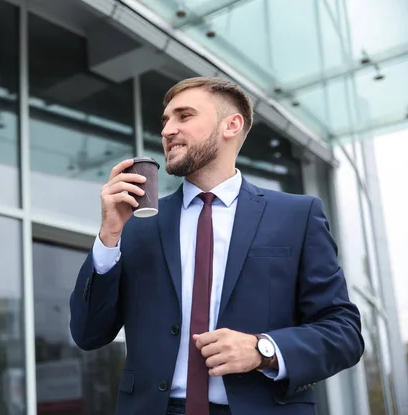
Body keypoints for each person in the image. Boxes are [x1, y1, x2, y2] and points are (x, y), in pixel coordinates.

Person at [69, 77, 364, 415]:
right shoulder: (137, 224)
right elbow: (87, 334)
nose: (167, 130)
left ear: (231, 125)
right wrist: (109, 236)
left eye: (184, 116)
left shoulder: (297, 216)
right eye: (165, 120)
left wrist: (262, 350)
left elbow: (343, 333)